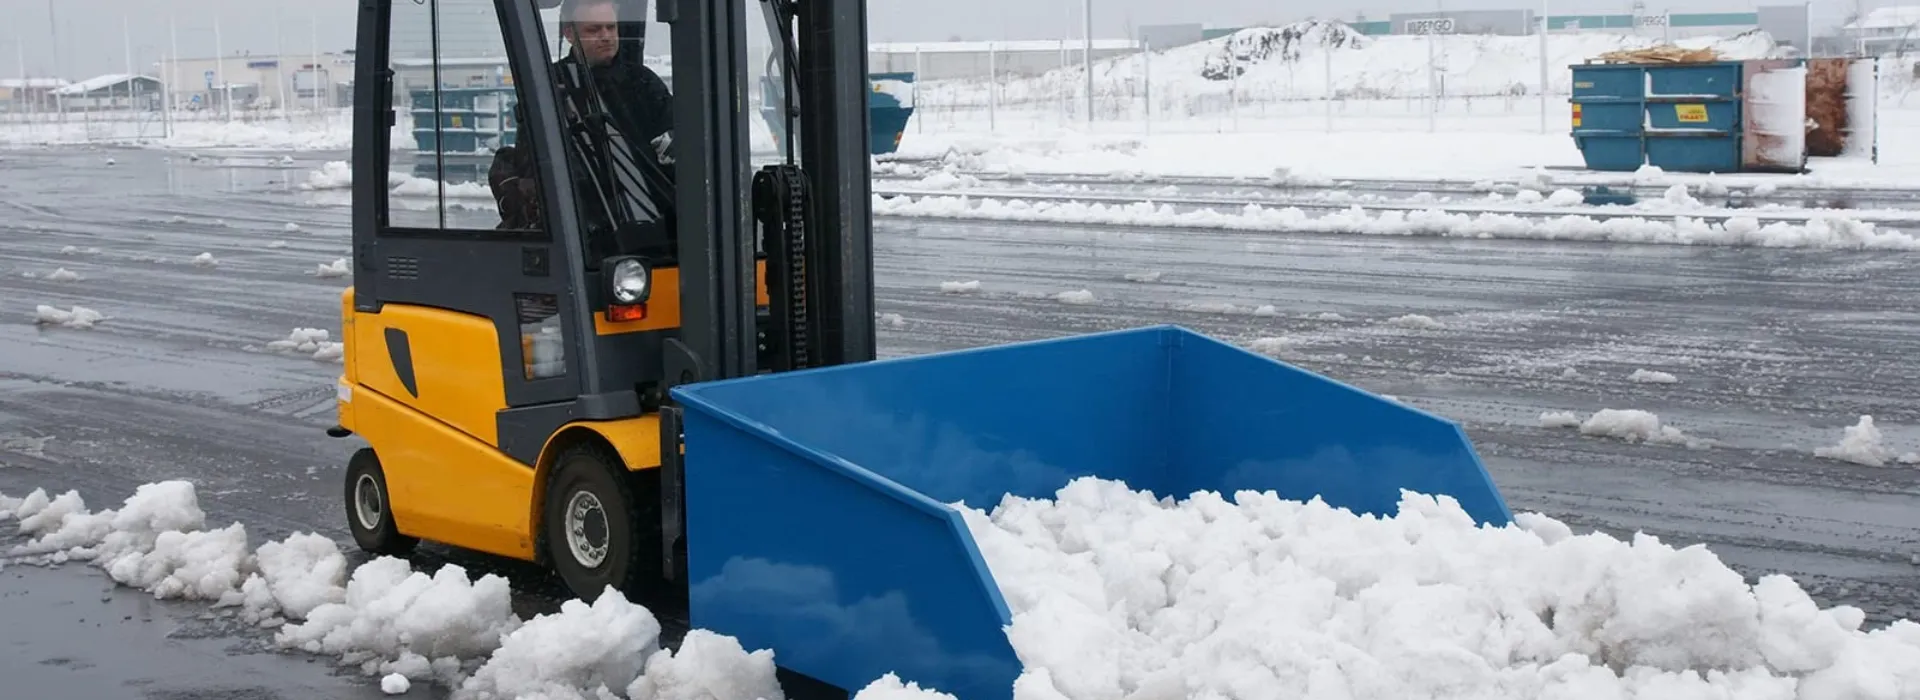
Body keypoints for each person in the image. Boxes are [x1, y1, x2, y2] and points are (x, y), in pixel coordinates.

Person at [489, 0, 674, 233]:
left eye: (610, 27)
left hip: (650, 218)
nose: (606, 36)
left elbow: (673, 139)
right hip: (581, 228)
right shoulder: (550, 87)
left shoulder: (643, 83)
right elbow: (535, 159)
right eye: (594, 30)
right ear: (569, 33)